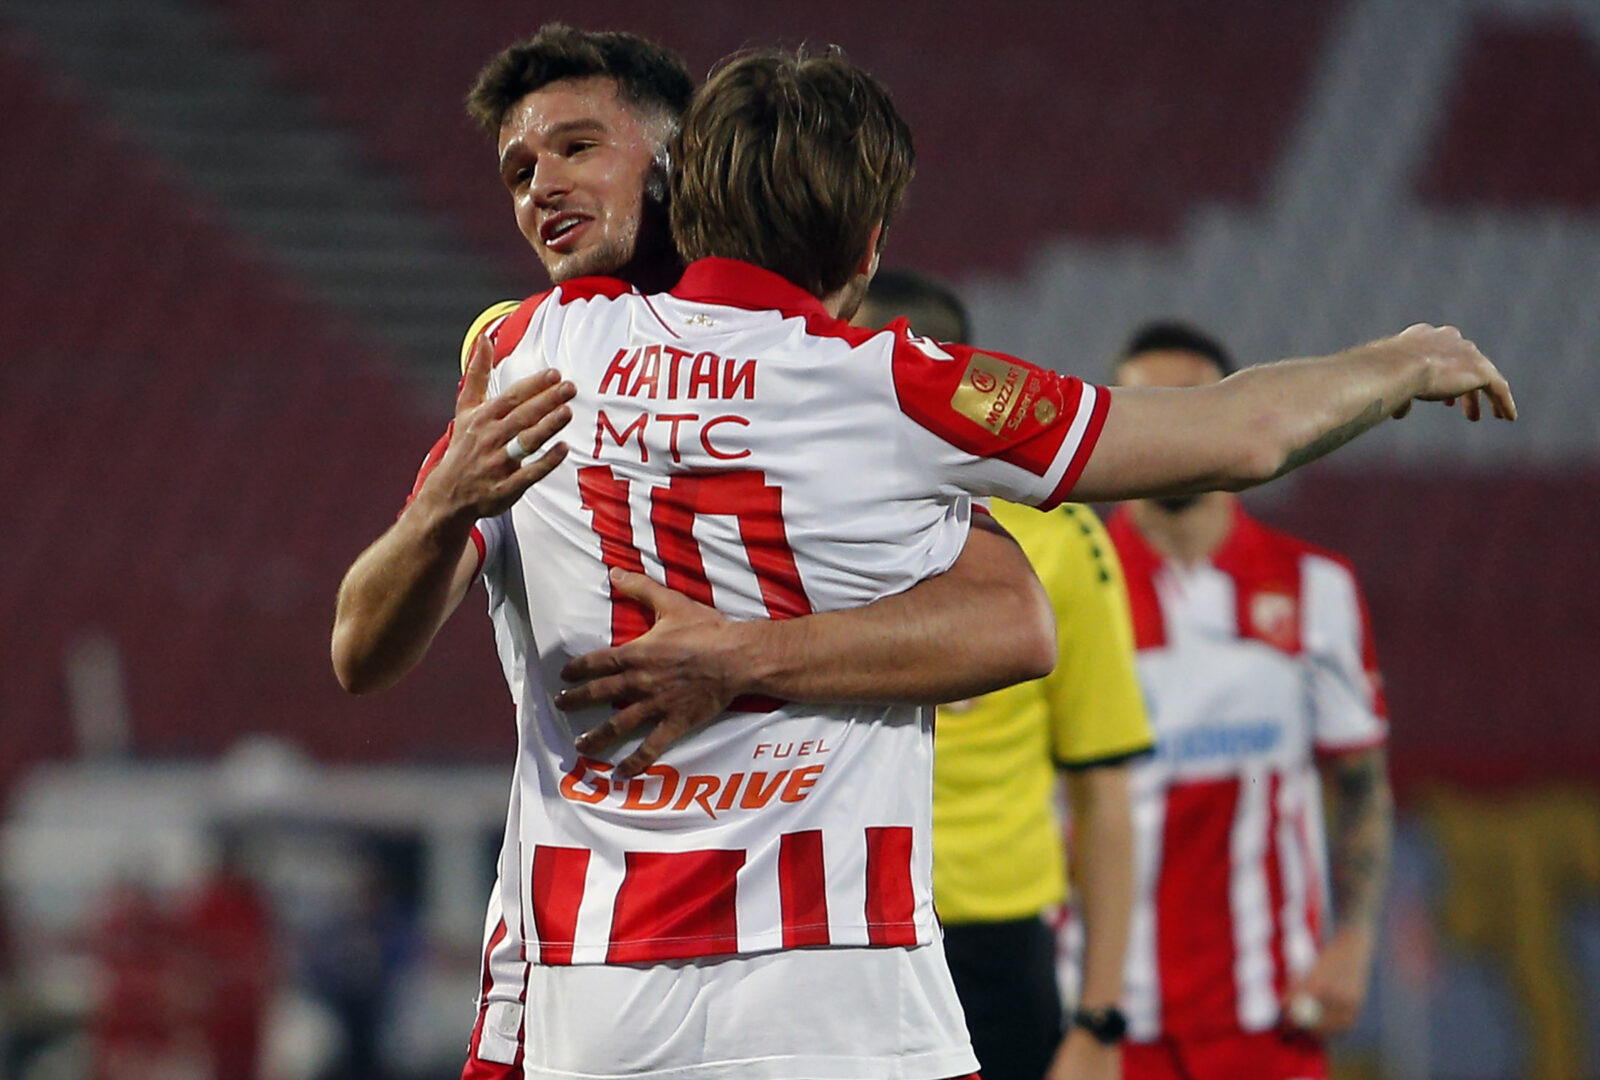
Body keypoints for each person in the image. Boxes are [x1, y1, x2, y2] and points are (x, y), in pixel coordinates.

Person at [336, 40, 1513, 1080]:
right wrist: (1401, 361)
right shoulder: (900, 387)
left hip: (596, 997)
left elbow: (359, 648)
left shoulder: (531, 350)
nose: (542, 185)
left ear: (681, 196)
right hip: (845, 999)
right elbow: (1238, 434)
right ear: (869, 242)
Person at [334, 25, 1056, 1080]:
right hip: (594, 966)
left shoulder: (813, 372)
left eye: (579, 148)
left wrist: (741, 658)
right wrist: (443, 502)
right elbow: (359, 648)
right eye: (520, 169)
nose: (542, 186)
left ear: (679, 162)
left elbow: (1013, 619)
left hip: (819, 962)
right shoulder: (534, 372)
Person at [855, 271, 1152, 1080]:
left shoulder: (1062, 540)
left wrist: (1099, 1017)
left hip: (994, 942)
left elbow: (1102, 788)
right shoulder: (811, 514)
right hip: (838, 925)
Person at [1086, 322, 1398, 1080]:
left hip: (1272, 1015)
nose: (1174, 430)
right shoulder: (1070, 591)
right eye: (1148, 407)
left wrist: (1355, 943)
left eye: (1197, 407)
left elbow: (1359, 780)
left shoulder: (1314, 587)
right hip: (1106, 1024)